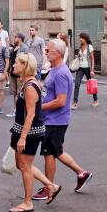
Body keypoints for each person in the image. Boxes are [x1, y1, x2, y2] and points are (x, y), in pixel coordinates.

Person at [31, 39, 94, 201]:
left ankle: (49, 186)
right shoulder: (55, 69)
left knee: (49, 153)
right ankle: (81, 174)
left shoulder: (61, 74)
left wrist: (39, 108)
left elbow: (60, 101)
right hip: (53, 119)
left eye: (48, 51)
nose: (46, 52)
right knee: (55, 151)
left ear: (58, 53)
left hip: (55, 120)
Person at [8, 53, 61, 212]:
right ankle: (51, 186)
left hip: (30, 132)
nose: (14, 65)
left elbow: (31, 114)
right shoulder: (28, 84)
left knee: (25, 166)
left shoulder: (30, 87)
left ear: (25, 66)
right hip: (23, 130)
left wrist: (23, 137)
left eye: (17, 63)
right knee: (22, 165)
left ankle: (27, 202)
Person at [72, 33, 98, 109]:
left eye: (82, 38)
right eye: (80, 38)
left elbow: (92, 59)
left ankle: (95, 100)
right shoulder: (80, 47)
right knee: (77, 84)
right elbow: (80, 56)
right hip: (80, 68)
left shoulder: (89, 47)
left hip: (87, 68)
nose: (80, 39)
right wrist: (77, 56)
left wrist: (92, 70)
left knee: (91, 84)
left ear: (85, 39)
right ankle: (75, 102)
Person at [7, 33, 29, 118]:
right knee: (14, 93)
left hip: (19, 73)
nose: (14, 38)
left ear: (19, 38)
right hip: (13, 72)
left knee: (20, 92)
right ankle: (15, 109)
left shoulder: (24, 47)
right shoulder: (14, 47)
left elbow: (25, 60)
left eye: (15, 37)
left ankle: (20, 110)